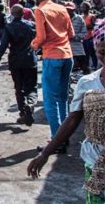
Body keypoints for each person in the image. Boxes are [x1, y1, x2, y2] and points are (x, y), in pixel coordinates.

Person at [28, 20, 105, 202]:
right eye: (103, 51)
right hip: (95, 162)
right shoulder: (87, 83)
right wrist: (46, 153)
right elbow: (72, 120)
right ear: (96, 51)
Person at [32, 0, 74, 152]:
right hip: (67, 56)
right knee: (63, 99)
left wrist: (33, 45)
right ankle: (64, 137)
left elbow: (41, 37)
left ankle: (56, 141)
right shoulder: (62, 9)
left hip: (52, 57)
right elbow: (71, 34)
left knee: (50, 101)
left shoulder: (40, 10)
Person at [0, 5, 38, 126]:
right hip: (30, 60)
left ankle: (23, 113)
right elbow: (39, 40)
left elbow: (3, 46)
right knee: (31, 87)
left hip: (15, 61)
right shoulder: (31, 25)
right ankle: (31, 104)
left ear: (12, 14)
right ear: (23, 13)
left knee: (19, 87)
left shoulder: (9, 27)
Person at [67, 2, 90, 75]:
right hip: (66, 46)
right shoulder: (63, 18)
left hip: (77, 45)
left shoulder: (79, 18)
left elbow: (84, 32)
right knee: (67, 67)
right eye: (67, 9)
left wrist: (74, 36)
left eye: (70, 9)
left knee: (84, 65)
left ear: (74, 9)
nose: (68, 11)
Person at [83, 3, 98, 71]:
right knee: (85, 54)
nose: (83, 9)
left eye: (84, 7)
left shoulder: (92, 16)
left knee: (92, 53)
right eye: (82, 7)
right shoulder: (81, 17)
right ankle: (87, 67)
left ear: (88, 8)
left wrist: (85, 27)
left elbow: (94, 26)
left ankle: (95, 66)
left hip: (90, 37)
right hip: (83, 38)